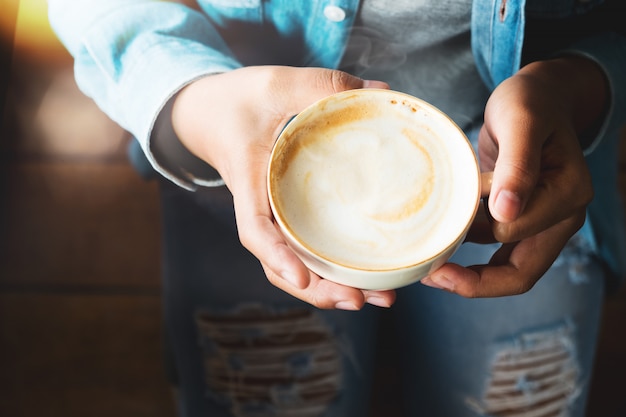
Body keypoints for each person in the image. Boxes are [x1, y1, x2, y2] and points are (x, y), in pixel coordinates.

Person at [48, 1, 626, 416]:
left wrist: (576, 88)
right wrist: (195, 102)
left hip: (517, 167)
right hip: (235, 154)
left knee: (521, 401)